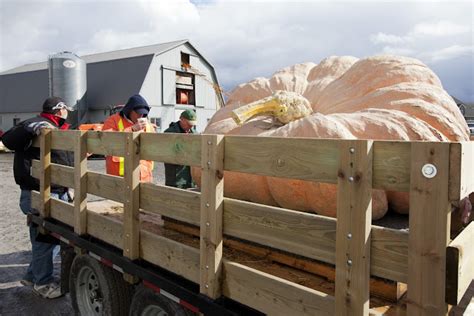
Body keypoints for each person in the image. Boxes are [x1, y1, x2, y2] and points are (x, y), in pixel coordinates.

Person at [1, 96, 74, 299]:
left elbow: (63, 160)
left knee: (46, 239)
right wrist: (35, 125)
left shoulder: (58, 130)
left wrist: (68, 186)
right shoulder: (36, 126)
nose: (68, 112)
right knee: (45, 240)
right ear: (59, 110)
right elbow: (8, 140)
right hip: (40, 193)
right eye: (65, 109)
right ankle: (43, 283)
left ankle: (33, 276)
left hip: (56, 192)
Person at [102, 94, 155, 182]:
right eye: (138, 113)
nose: (141, 116)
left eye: (144, 114)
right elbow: (107, 141)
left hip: (144, 176)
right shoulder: (113, 120)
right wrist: (132, 129)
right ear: (129, 110)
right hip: (119, 176)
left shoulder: (148, 125)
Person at [164, 109, 197, 189]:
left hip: (190, 177)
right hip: (175, 176)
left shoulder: (194, 133)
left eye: (192, 124)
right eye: (188, 123)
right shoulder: (170, 133)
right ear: (181, 119)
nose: (190, 126)